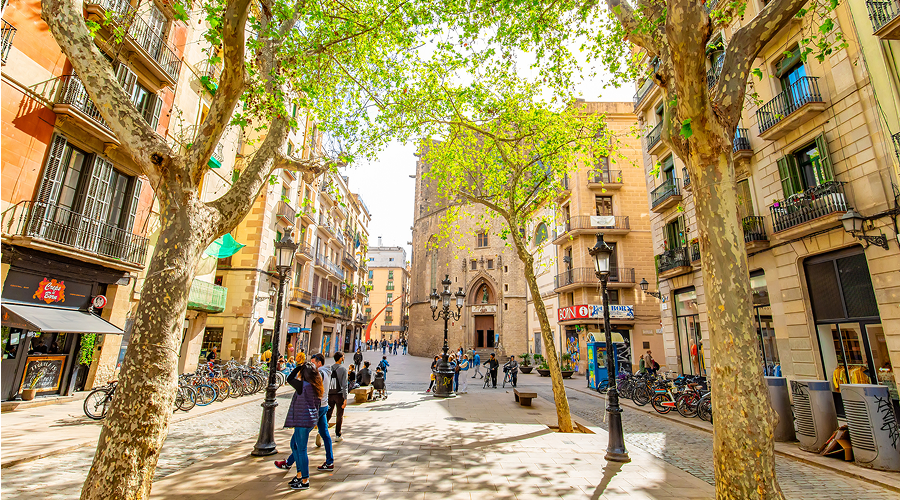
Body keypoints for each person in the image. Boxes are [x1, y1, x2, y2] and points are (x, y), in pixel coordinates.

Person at [275, 362, 322, 491]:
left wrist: (297, 368)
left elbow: (289, 378)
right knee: (294, 445)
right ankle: (300, 474)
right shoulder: (316, 385)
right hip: (309, 420)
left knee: (301, 450)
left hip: (302, 421)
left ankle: (305, 479)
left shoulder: (303, 386)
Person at [309, 354, 334, 468]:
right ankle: (329, 461)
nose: (311, 365)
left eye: (313, 363)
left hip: (317, 407)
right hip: (323, 406)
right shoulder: (326, 372)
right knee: (325, 433)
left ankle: (289, 463)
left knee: (300, 437)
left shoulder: (320, 374)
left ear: (319, 363)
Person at [326, 352, 348, 442]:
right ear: (340, 358)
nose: (344, 358)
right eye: (343, 357)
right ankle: (338, 435)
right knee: (339, 415)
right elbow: (344, 385)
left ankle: (322, 430)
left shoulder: (329, 369)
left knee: (328, 413)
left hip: (330, 394)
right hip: (339, 395)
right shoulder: (343, 369)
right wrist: (345, 398)